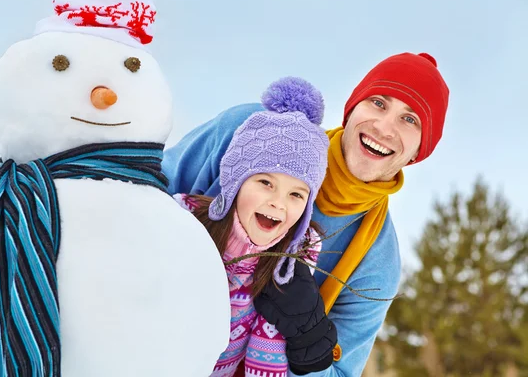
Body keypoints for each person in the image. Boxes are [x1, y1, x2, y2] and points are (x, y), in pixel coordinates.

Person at [162, 52, 450, 376]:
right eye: (378, 103)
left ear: (418, 151)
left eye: (409, 119)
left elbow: (340, 372)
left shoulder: (377, 261)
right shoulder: (256, 134)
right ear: (352, 108)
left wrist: (307, 340)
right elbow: (144, 188)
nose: (384, 127)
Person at [174, 77, 338, 376]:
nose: (278, 203)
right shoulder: (183, 218)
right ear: (236, 180)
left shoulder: (288, 265)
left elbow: (268, 351)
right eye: (265, 183)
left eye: (296, 194)